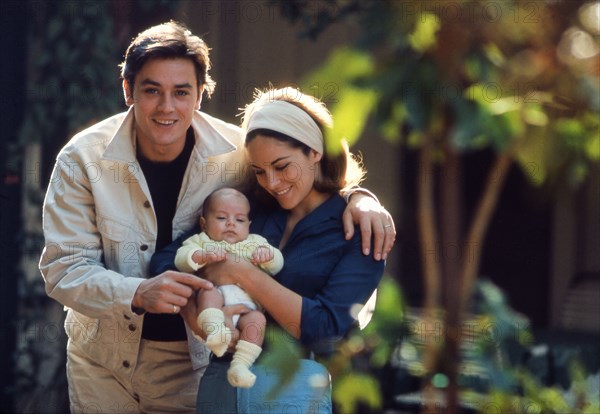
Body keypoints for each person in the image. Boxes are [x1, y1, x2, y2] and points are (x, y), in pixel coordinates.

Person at [38, 21, 395, 413]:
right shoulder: (82, 160)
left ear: (201, 96)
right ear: (128, 91)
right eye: (151, 90)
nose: (166, 107)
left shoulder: (237, 156)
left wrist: (360, 198)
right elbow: (65, 268)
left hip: (193, 366)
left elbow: (305, 181)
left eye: (181, 92)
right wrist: (138, 291)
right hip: (101, 362)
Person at [153, 86, 387, 413]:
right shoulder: (250, 212)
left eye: (282, 166)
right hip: (226, 388)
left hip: (307, 391)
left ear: (315, 151)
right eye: (260, 171)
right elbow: (164, 262)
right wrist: (199, 317)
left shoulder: (358, 229)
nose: (272, 183)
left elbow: (324, 327)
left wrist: (241, 273)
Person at [175, 187, 283, 388]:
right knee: (208, 291)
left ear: (249, 225)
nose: (231, 223)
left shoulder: (255, 243)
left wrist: (268, 256)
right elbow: (181, 259)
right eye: (222, 218)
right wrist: (201, 255)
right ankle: (215, 330)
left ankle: (241, 365)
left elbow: (277, 264)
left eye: (240, 220)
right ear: (203, 224)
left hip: (247, 308)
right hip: (214, 301)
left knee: (258, 321)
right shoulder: (202, 241)